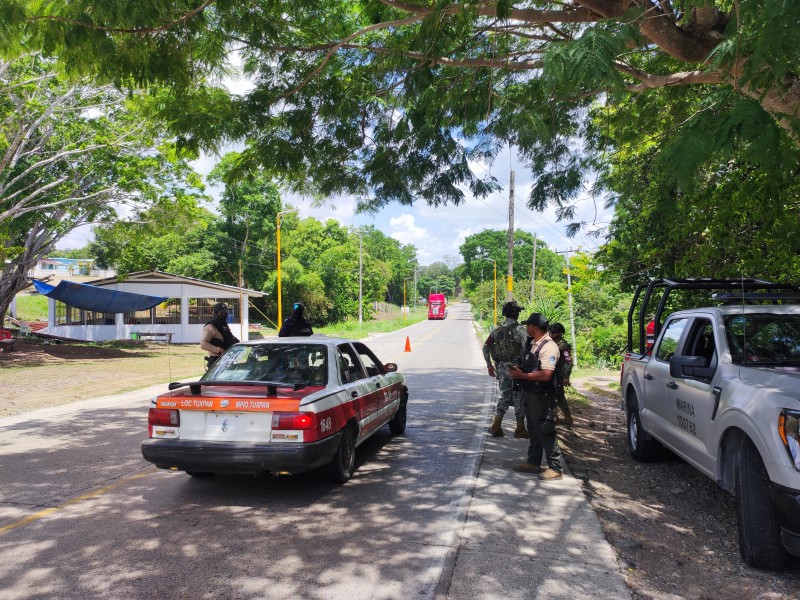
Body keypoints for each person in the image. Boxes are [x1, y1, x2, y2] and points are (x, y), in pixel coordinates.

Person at [508, 312, 563, 481]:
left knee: (545, 428)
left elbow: (546, 374)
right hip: (531, 393)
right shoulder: (532, 343)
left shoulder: (549, 347)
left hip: (542, 396)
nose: (526, 328)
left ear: (536, 328)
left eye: (528, 325)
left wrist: (522, 376)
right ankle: (533, 462)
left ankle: (555, 468)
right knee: (533, 428)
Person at [482, 300, 528, 438]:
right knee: (519, 395)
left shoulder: (496, 330)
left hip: (501, 368)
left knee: (505, 395)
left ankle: (496, 425)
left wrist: (489, 365)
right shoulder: (520, 330)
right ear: (516, 314)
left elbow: (485, 348)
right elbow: (527, 349)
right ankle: (520, 428)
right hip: (516, 368)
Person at [549, 322, 574, 428]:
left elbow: (568, 361)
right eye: (550, 331)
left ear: (559, 333)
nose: (551, 334)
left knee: (559, 395)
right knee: (551, 394)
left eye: (553, 332)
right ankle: (554, 417)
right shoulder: (551, 343)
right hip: (551, 373)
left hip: (559, 374)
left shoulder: (563, 345)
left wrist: (566, 377)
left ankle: (568, 418)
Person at [200, 302, 240, 369]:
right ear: (215, 313)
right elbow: (203, 344)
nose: (223, 315)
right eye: (220, 313)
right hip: (216, 362)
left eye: (225, 313)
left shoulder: (223, 325)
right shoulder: (210, 327)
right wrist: (219, 350)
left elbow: (229, 338)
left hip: (228, 360)